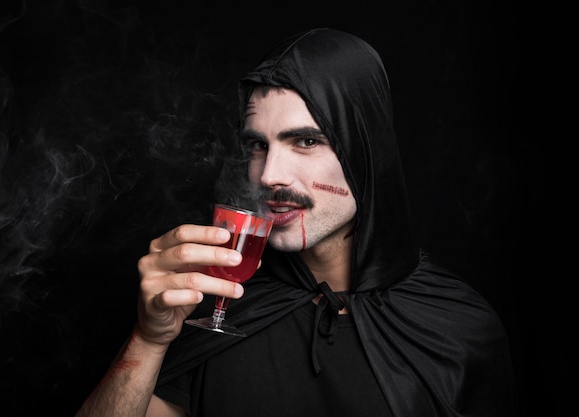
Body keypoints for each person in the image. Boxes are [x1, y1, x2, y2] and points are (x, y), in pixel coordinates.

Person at [75, 28, 515, 417]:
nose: (268, 176)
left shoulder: (458, 326)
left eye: (306, 141)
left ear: (364, 152)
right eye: (256, 145)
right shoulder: (211, 304)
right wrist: (148, 341)